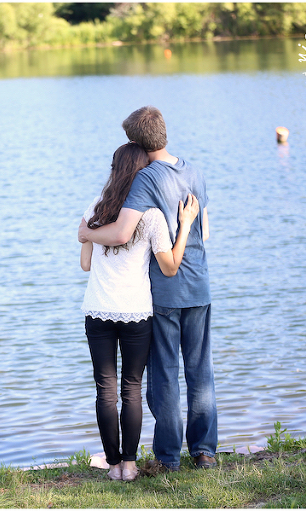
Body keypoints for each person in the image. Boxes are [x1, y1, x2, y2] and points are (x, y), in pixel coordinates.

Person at [78, 106, 217, 472]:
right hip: (198, 285)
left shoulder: (144, 178)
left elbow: (122, 233)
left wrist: (87, 233)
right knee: (200, 371)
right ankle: (204, 452)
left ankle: (168, 458)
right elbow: (205, 231)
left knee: (164, 375)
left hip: (165, 291)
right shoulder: (195, 172)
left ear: (136, 143)